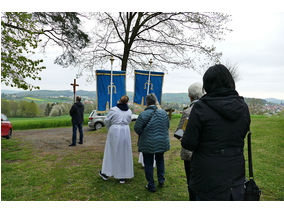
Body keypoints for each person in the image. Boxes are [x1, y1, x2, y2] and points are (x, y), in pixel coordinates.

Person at [181, 64, 251, 201]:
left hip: (207, 176)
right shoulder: (242, 106)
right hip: (235, 173)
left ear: (207, 84)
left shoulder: (201, 107)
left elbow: (189, 143)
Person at [134, 93, 170, 192]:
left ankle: (151, 185)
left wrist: (144, 134)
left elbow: (137, 129)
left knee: (148, 163)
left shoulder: (143, 114)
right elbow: (167, 126)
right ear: (155, 101)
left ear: (147, 102)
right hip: (161, 141)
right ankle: (161, 180)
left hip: (148, 142)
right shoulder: (163, 113)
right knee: (160, 160)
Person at [175, 82, 204, 201]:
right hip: (205, 153)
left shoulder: (188, 112)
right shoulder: (208, 109)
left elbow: (179, 133)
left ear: (190, 96)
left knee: (191, 183)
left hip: (190, 153)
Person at [99, 95, 134, 184]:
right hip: (125, 131)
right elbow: (129, 121)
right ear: (127, 102)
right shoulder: (129, 111)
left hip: (115, 131)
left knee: (111, 152)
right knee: (124, 152)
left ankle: (106, 173)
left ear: (119, 101)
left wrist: (110, 128)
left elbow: (107, 121)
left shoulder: (113, 109)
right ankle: (122, 176)